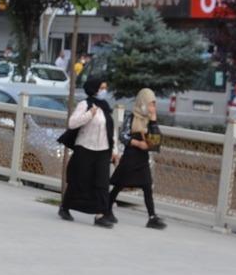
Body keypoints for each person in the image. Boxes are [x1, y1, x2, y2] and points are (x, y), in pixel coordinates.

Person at [59, 77, 118, 228]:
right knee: (79, 180)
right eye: (102, 88)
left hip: (103, 150)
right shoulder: (84, 104)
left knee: (102, 183)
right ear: (94, 89)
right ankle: (65, 207)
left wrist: (115, 149)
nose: (105, 91)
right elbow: (72, 123)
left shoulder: (105, 106)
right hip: (85, 148)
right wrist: (89, 114)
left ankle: (100, 215)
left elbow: (111, 130)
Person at [109, 88, 166, 229]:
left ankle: (152, 216)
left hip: (142, 158)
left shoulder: (150, 119)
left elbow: (156, 140)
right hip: (131, 156)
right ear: (142, 102)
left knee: (147, 185)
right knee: (120, 184)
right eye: (150, 103)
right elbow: (123, 135)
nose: (152, 107)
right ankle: (106, 207)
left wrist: (153, 120)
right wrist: (138, 143)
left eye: (154, 104)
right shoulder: (132, 117)